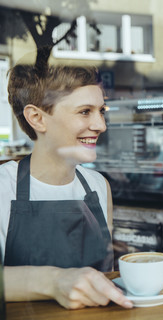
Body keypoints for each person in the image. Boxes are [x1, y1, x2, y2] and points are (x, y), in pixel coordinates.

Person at [0, 64, 133, 309]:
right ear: (37, 118)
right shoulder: (2, 186)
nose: (101, 125)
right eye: (85, 111)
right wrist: (55, 281)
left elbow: (106, 275)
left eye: (101, 111)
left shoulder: (98, 186)